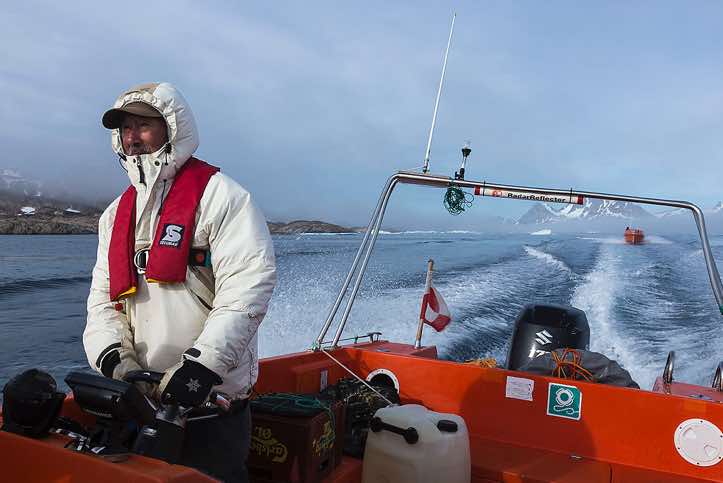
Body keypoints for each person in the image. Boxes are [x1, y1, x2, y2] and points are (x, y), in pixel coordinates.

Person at [83, 82, 276, 482]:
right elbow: (103, 302)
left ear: (172, 128)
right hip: (141, 398)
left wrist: (201, 367)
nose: (132, 137)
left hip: (211, 399)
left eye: (144, 125)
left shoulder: (223, 197)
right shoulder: (114, 215)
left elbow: (247, 289)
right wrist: (115, 361)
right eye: (125, 128)